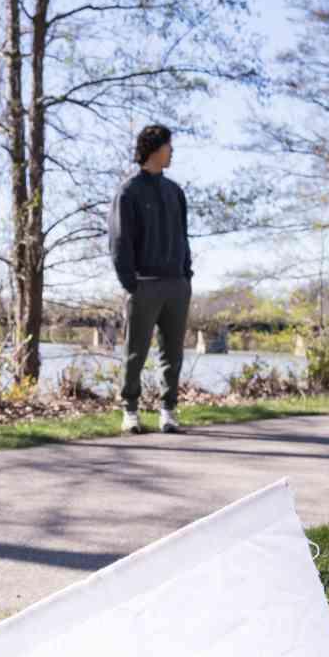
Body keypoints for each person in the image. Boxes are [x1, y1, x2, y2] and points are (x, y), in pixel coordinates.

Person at [108, 124, 193, 434]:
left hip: (176, 285)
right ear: (155, 149)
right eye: (169, 146)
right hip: (144, 284)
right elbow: (119, 242)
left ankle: (168, 410)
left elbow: (184, 238)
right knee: (136, 351)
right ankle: (130, 411)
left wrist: (186, 276)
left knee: (173, 353)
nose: (172, 152)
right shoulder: (128, 191)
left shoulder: (175, 192)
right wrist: (131, 283)